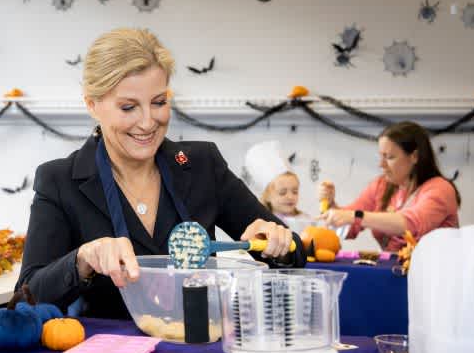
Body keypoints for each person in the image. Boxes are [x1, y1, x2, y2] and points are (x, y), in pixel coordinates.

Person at [18, 28, 305, 319]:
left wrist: (278, 244)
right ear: (92, 104)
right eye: (129, 107)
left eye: (158, 102)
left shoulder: (203, 164)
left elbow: (295, 251)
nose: (147, 122)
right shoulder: (59, 181)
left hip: (196, 348)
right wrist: (82, 259)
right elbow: (26, 297)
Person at [318, 121, 460, 251]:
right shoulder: (381, 185)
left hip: (431, 274)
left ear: (414, 156)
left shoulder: (441, 189)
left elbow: (410, 225)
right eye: (381, 156)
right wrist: (332, 208)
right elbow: (349, 226)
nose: (381, 164)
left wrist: (355, 216)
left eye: (390, 157)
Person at [244, 140, 309, 223]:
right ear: (267, 197)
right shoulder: (262, 222)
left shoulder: (305, 220)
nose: (290, 197)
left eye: (295, 192)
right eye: (282, 193)